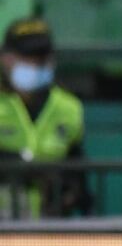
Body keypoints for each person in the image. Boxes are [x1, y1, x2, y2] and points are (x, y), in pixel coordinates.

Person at [0, 17, 89, 218]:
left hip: (47, 229)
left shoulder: (69, 107)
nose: (36, 63)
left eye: (42, 56)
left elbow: (78, 167)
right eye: (27, 56)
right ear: (5, 58)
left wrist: (69, 193)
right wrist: (21, 165)